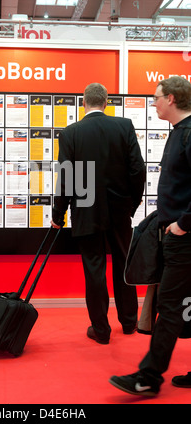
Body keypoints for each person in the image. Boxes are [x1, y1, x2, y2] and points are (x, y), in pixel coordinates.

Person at [109, 76, 191, 396]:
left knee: (169, 306)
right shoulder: (179, 133)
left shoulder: (188, 135)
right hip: (176, 234)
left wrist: (183, 224)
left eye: (156, 97)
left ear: (171, 98)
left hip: (184, 238)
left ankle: (148, 376)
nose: (152, 102)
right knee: (175, 304)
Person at [51, 83, 145, 344]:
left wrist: (59, 213)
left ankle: (101, 330)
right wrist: (132, 204)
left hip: (85, 209)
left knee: (94, 268)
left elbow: (66, 176)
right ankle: (129, 323)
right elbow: (138, 170)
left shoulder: (71, 133)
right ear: (106, 102)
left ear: (84, 103)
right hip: (119, 210)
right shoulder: (124, 126)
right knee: (123, 264)